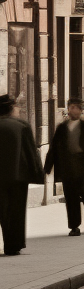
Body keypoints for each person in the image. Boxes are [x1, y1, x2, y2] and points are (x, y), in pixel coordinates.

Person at [44, 98, 84, 236]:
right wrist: (48, 165)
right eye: (72, 107)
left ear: (81, 111)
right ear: (68, 110)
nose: (74, 110)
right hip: (68, 167)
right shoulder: (62, 128)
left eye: (77, 108)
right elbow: (54, 148)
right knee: (70, 197)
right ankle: (74, 226)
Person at [0, 93, 44, 255]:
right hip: (18, 177)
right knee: (17, 211)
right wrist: (38, 174)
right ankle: (14, 244)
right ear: (11, 108)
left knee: (3, 211)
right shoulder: (22, 126)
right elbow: (31, 153)